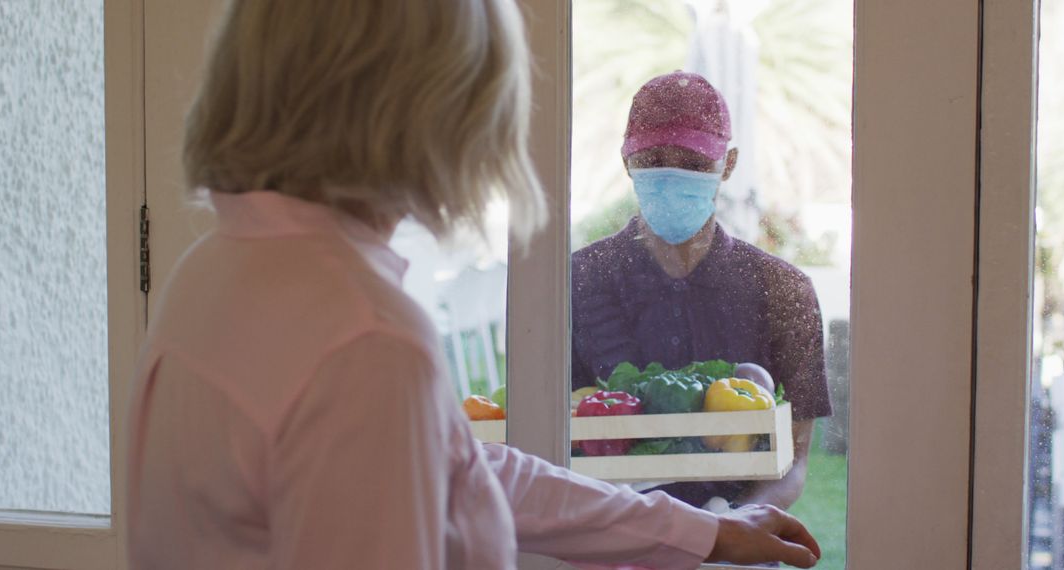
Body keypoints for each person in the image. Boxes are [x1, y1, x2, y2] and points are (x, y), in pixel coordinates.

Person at [124, 3, 821, 569]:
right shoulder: (367, 336)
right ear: (419, 111)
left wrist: (703, 533)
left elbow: (469, 470)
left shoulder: (216, 269)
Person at [572, 71, 833, 512]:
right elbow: (550, 447)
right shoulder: (579, 280)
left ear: (727, 165)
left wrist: (731, 530)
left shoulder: (784, 289)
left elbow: (794, 460)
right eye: (653, 159)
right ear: (626, 162)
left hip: (739, 540)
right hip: (611, 540)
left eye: (693, 163)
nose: (671, 177)